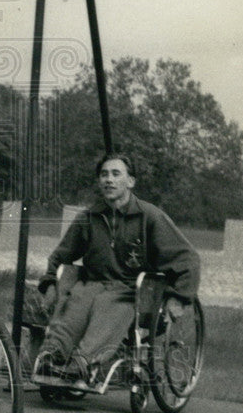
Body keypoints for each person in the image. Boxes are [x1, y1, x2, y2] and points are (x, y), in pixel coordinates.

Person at [36, 152, 201, 387]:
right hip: (92, 284)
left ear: (130, 181)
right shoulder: (89, 217)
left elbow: (188, 259)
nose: (109, 180)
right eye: (104, 175)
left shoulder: (150, 217)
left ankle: (83, 363)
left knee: (109, 309)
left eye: (116, 174)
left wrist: (180, 297)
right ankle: (52, 356)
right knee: (74, 307)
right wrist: (50, 281)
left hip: (130, 290)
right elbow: (61, 255)